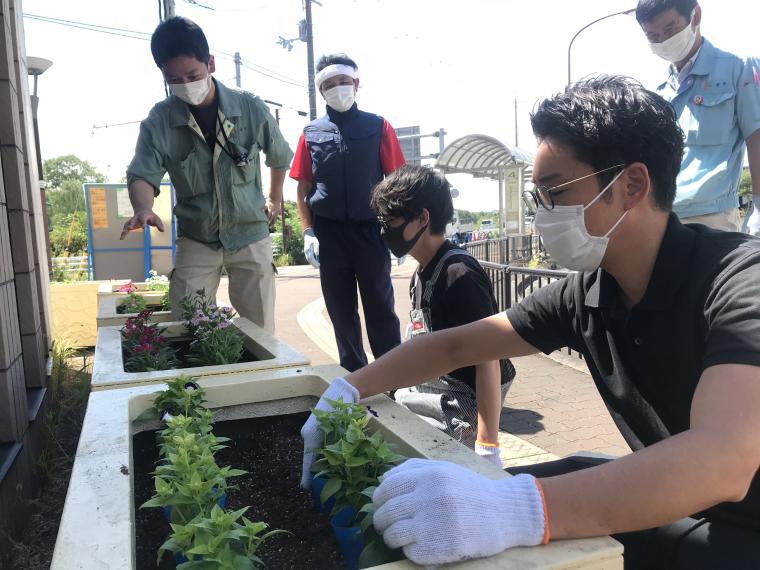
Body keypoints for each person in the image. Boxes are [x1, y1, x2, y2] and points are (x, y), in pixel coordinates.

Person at [300, 76, 760, 568]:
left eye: (554, 191)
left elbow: (723, 460)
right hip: (686, 498)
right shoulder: (589, 293)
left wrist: (517, 510)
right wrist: (347, 390)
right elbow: (455, 347)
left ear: (631, 185)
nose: (543, 214)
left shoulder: (739, 282)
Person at [122, 17, 292, 332]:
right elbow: (143, 174)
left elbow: (279, 156)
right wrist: (143, 208)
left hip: (250, 233)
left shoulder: (250, 108)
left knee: (261, 329)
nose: (185, 84)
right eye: (173, 78)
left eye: (192, 74)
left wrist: (274, 198)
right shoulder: (159, 121)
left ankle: (255, 380)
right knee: (187, 324)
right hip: (197, 237)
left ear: (210, 63)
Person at [370, 165, 515, 465]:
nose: (385, 230)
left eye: (391, 220)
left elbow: (488, 359)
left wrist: (488, 445)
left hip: (460, 406)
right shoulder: (422, 273)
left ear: (423, 218)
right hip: (432, 391)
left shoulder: (458, 276)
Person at [289, 53, 406, 372]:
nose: (338, 88)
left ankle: (391, 377)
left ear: (356, 84)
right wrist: (308, 232)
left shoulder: (378, 126)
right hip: (329, 234)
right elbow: (302, 188)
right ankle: (355, 376)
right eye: (330, 84)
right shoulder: (310, 132)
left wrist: (400, 231)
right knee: (340, 311)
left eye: (343, 82)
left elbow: (396, 181)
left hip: (371, 231)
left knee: (381, 307)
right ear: (321, 89)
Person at [636, 0, 760, 233]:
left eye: (670, 29)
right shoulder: (656, 90)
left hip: (713, 218)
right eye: (653, 36)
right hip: (660, 217)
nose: (663, 40)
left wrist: (758, 210)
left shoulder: (739, 68)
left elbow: (757, 140)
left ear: (695, 16)